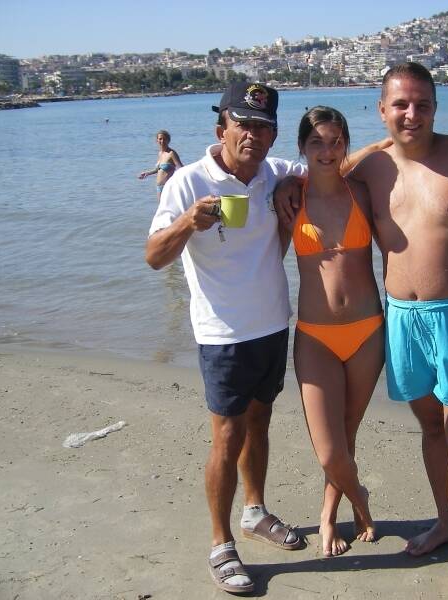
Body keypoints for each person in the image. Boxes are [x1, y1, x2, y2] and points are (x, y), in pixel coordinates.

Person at [276, 62, 448, 600]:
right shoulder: (369, 168)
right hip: (403, 318)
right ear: (382, 109)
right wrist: (290, 180)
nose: (411, 114)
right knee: (430, 430)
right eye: (400, 104)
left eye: (422, 104)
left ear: (435, 108)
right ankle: (446, 522)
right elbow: (323, 168)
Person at [145, 82, 307, 595]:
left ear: (273, 135)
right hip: (222, 334)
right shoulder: (188, 182)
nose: (253, 135)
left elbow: (329, 163)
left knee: (260, 421)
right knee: (228, 436)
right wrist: (188, 223)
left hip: (273, 322)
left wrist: (292, 182)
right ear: (222, 130)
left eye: (263, 127)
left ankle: (254, 512)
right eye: (244, 125)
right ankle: (221, 544)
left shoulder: (276, 170)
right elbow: (154, 256)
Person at [288, 106, 382, 557]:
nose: (327, 151)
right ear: (301, 147)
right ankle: (360, 499)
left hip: (367, 333)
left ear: (346, 143)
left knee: (347, 434)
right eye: (316, 142)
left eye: (336, 141)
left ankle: (328, 515)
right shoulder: (290, 197)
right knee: (330, 450)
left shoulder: (362, 192)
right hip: (315, 336)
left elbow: (409, 235)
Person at [138, 129, 183, 200]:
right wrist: (147, 173)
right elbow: (158, 169)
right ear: (157, 140)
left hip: (168, 186)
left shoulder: (171, 153)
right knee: (161, 206)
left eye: (164, 139)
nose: (162, 141)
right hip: (159, 187)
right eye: (160, 139)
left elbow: (181, 169)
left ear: (168, 140)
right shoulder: (160, 153)